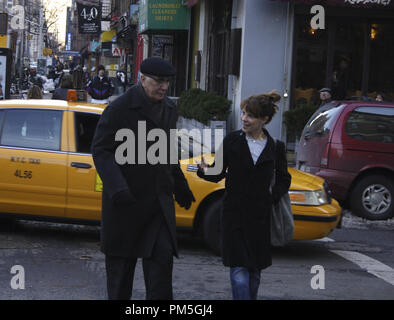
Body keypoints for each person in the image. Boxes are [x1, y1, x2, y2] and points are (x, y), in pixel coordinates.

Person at [91, 57, 195, 300]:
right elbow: (101, 150)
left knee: (161, 281)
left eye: (167, 82)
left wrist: (180, 185)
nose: (164, 87)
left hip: (158, 208)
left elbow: (167, 151)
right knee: (120, 284)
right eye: (159, 81)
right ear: (142, 79)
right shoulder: (119, 108)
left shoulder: (169, 109)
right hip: (125, 207)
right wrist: (118, 188)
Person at [197, 90, 291, 300]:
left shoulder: (276, 147)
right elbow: (217, 172)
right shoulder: (232, 141)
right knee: (239, 271)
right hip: (234, 215)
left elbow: (284, 179)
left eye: (250, 115)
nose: (244, 119)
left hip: (260, 218)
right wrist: (204, 170)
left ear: (264, 120)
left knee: (255, 272)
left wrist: (271, 198)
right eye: (243, 113)